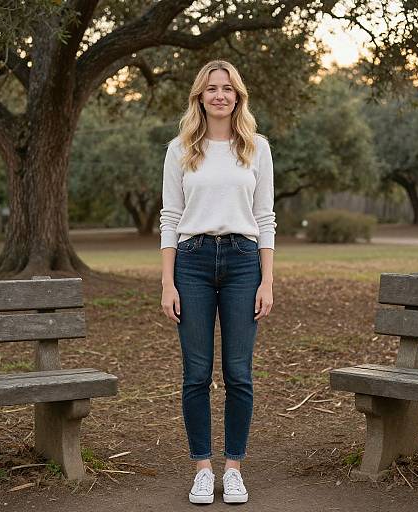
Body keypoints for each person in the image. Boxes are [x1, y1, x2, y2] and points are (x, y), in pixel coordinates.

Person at [159, 59, 276, 505]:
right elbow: (170, 218)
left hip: (245, 263)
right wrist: (168, 283)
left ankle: (235, 468)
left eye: (228, 88)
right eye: (212, 89)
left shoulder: (256, 147)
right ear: (200, 97)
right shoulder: (180, 149)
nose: (220, 95)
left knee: (239, 373)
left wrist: (267, 281)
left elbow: (265, 219)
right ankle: (203, 469)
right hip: (191, 262)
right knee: (196, 373)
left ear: (238, 96)